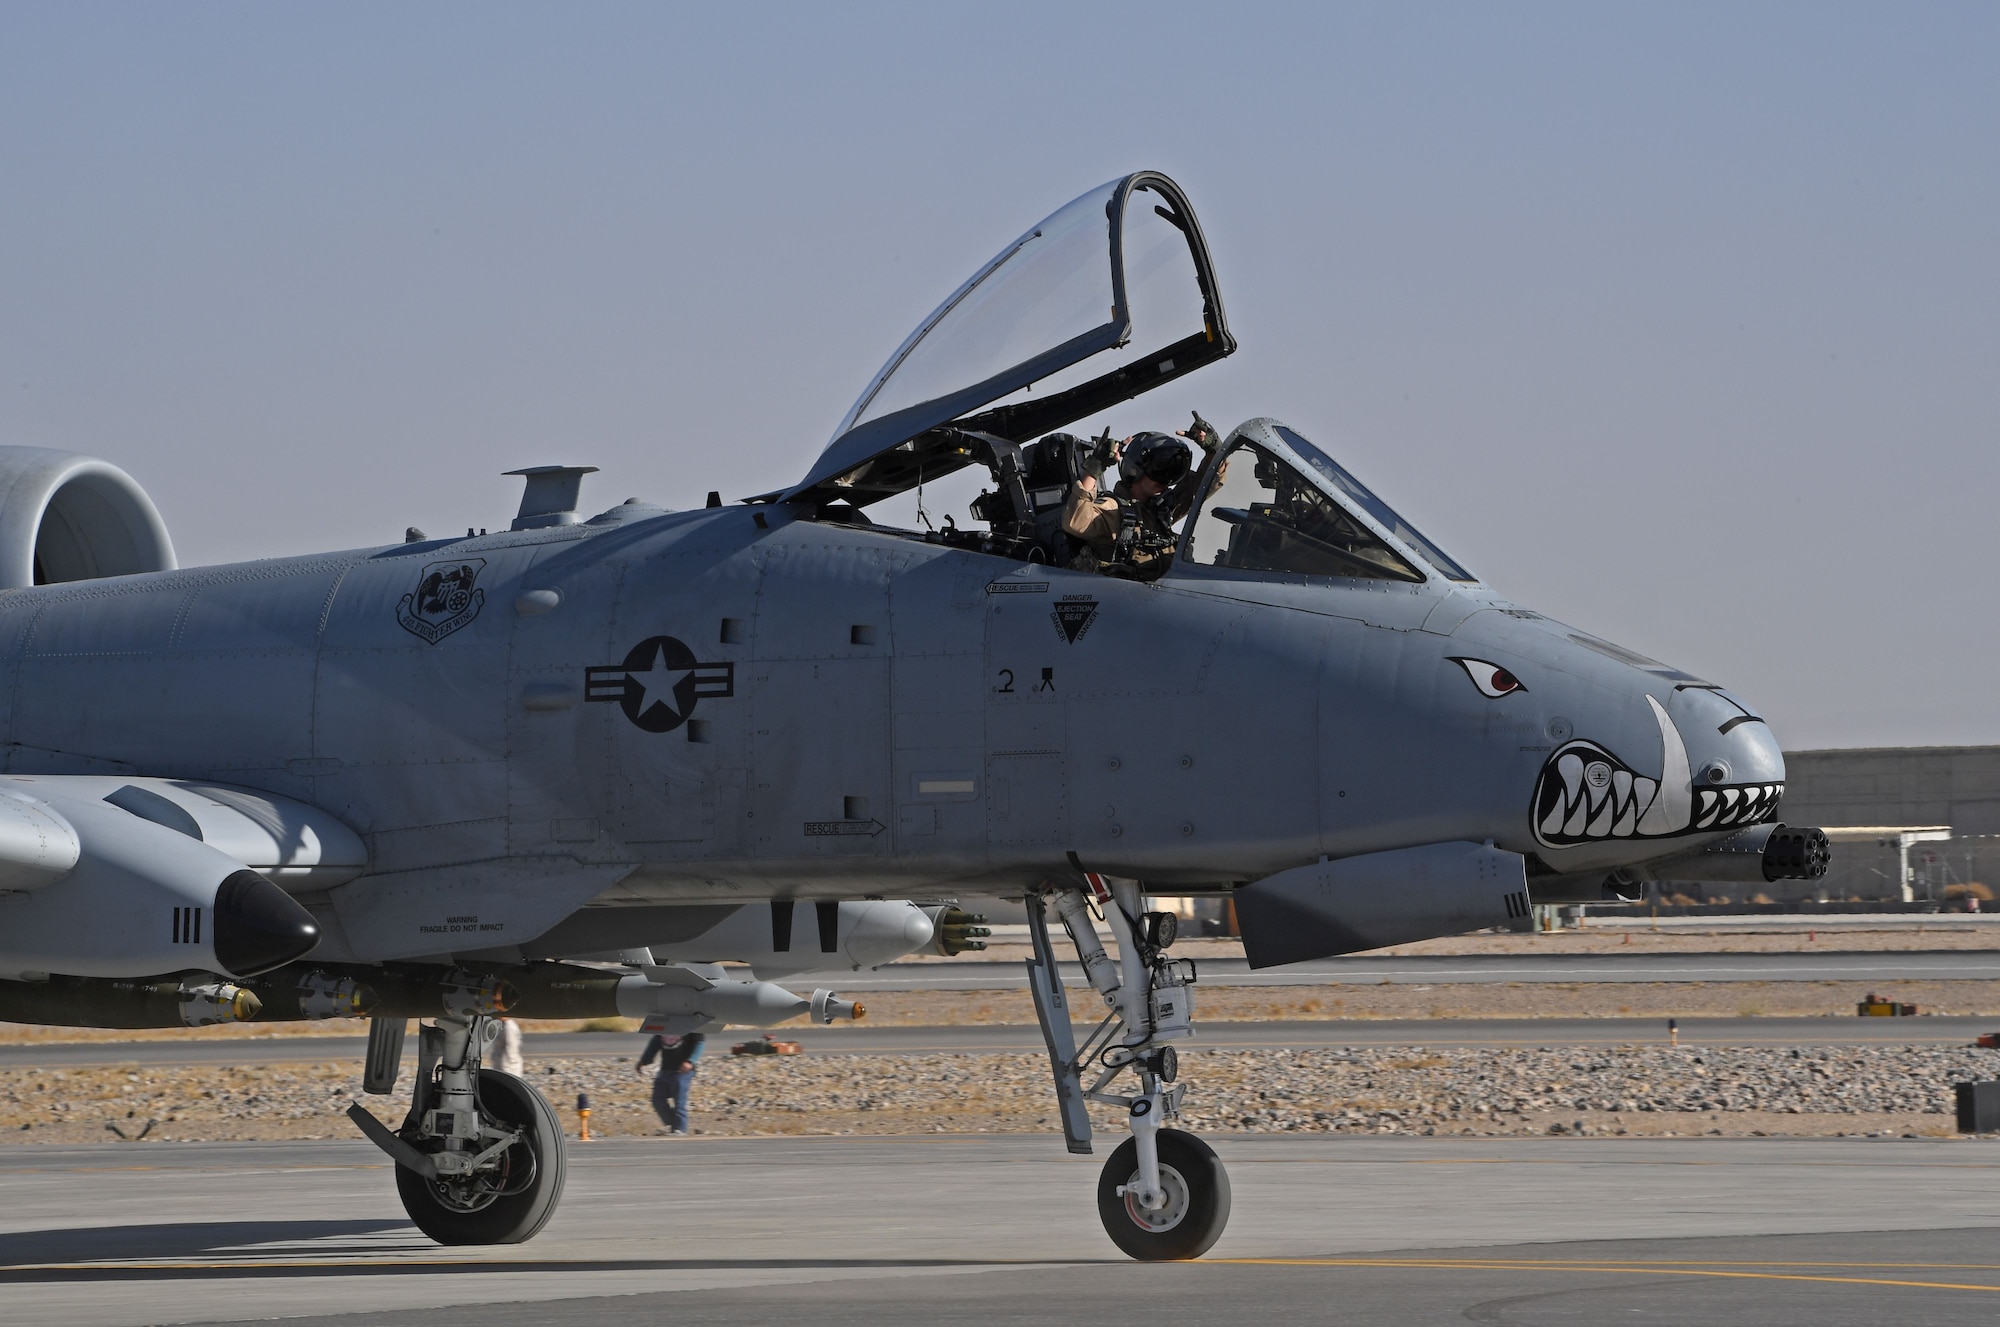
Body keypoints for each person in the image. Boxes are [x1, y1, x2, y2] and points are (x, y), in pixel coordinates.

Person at [1061, 414, 1223, 577]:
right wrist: (1094, 468)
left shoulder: (1163, 509)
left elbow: (1206, 484)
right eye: (1159, 470)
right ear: (1134, 469)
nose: (1166, 480)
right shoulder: (1113, 509)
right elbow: (1076, 521)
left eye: (1171, 473)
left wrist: (1213, 449)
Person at [636, 1029, 705, 1134]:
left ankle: (680, 1130)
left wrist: (691, 1061)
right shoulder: (667, 1023)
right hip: (665, 1070)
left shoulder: (692, 1024)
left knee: (680, 1104)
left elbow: (699, 1044)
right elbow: (655, 1042)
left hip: (682, 1072)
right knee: (657, 1100)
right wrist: (644, 1060)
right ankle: (673, 1125)